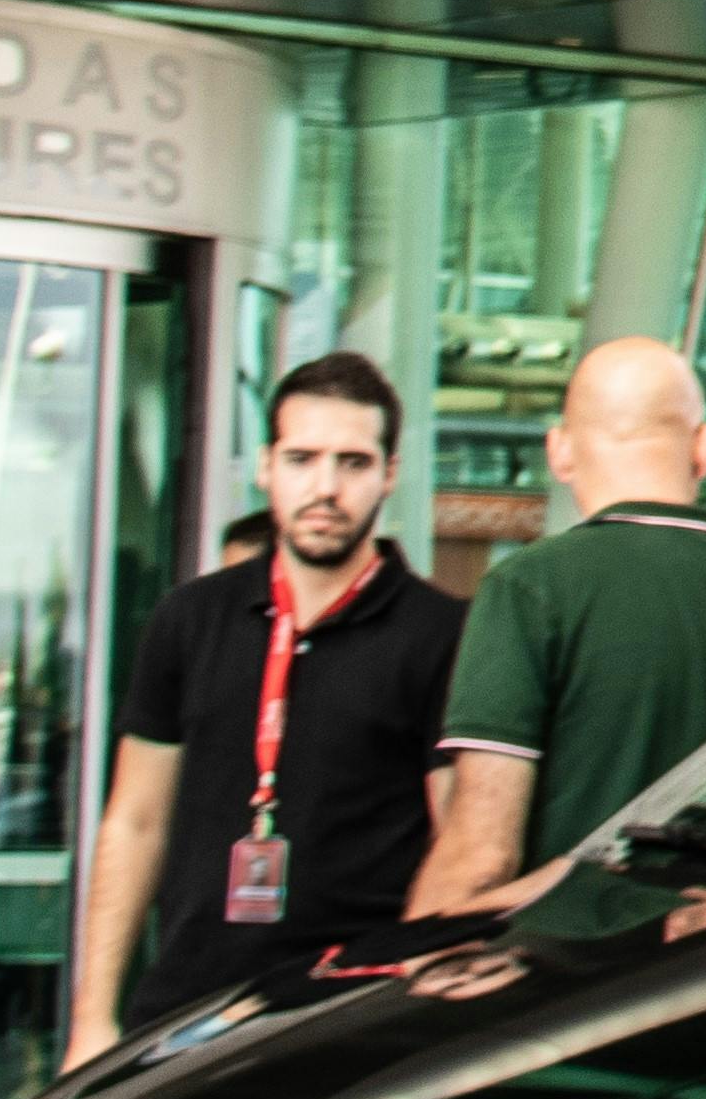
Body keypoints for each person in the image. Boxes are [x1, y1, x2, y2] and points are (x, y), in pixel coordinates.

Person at [70, 358, 462, 1062]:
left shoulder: (443, 633)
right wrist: (93, 1019)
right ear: (264, 466)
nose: (325, 487)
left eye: (353, 462)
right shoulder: (189, 619)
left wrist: (412, 1017)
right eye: (302, 458)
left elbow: (455, 842)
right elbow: (133, 822)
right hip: (184, 1011)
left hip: (347, 1023)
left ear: (390, 473)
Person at [404, 340, 706, 918]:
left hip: (574, 982)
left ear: (559, 451)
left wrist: (407, 959)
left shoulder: (529, 590)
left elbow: (481, 855)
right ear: (703, 449)